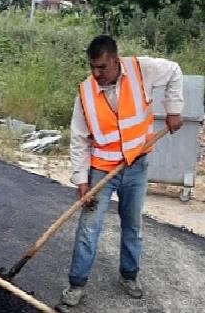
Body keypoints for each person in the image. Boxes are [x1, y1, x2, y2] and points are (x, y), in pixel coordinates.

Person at [60, 35, 184, 308]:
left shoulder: (143, 70)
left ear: (116, 61)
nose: (96, 73)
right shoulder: (85, 92)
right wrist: (81, 180)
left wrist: (174, 109)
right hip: (102, 169)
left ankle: (129, 275)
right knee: (88, 229)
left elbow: (175, 70)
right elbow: (79, 138)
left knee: (133, 225)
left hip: (137, 166)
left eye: (102, 67)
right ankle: (76, 284)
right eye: (92, 67)